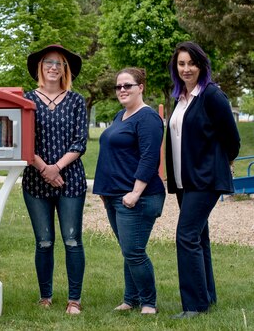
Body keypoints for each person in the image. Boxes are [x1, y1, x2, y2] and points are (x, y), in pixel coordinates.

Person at [166, 41, 240, 319]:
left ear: (201, 65)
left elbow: (232, 139)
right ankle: (207, 296)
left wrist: (221, 163)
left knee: (185, 236)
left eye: (191, 63)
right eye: (181, 64)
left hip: (205, 179)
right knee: (199, 237)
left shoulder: (211, 95)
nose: (186, 69)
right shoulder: (180, 97)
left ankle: (194, 306)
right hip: (185, 181)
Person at [21, 44, 88, 315]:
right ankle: (45, 296)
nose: (52, 67)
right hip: (36, 182)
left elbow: (80, 141)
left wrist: (56, 168)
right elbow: (23, 141)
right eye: (48, 62)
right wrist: (43, 168)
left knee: (72, 240)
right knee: (44, 241)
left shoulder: (76, 101)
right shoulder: (27, 100)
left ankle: (74, 299)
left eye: (58, 63)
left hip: (70, 180)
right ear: (40, 67)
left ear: (65, 70)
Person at [93, 68, 165, 315]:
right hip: (114, 196)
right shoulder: (119, 116)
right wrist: (104, 191)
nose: (122, 90)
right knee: (128, 250)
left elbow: (149, 158)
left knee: (134, 251)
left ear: (141, 87)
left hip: (139, 197)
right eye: (118, 87)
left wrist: (135, 193)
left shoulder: (148, 118)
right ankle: (130, 299)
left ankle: (148, 303)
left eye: (128, 86)